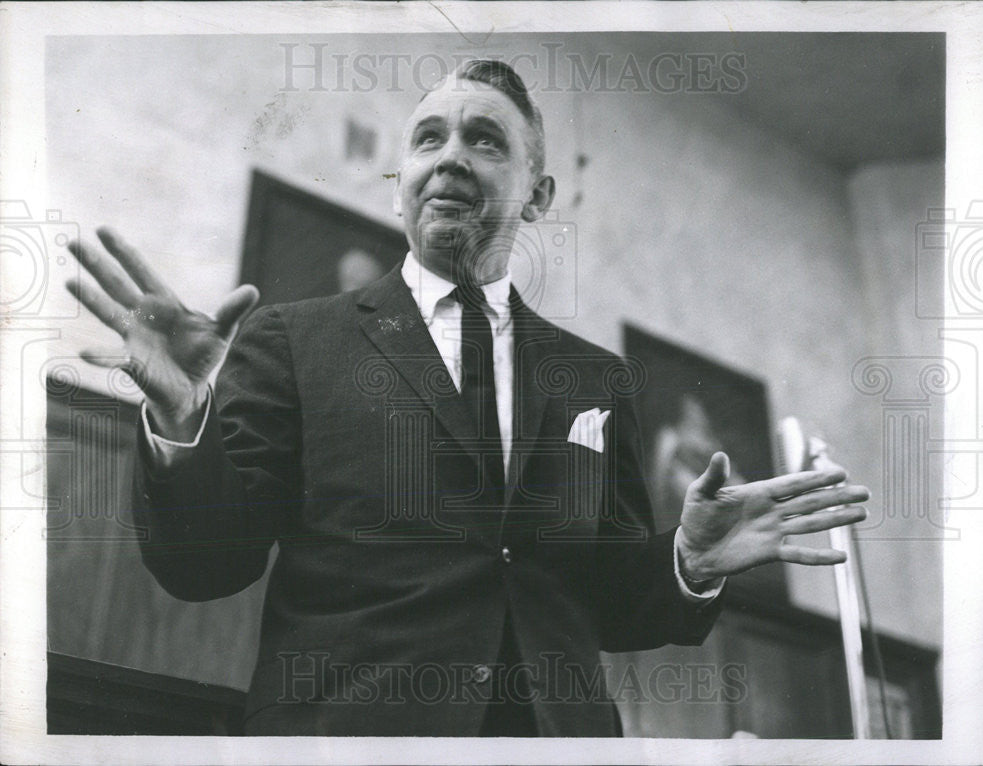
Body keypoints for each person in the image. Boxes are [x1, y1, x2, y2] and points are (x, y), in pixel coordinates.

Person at [64, 60, 869, 737]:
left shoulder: (594, 379)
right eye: (428, 139)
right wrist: (180, 420)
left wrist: (688, 561)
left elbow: (612, 605)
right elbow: (205, 565)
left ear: (539, 194)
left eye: (485, 140)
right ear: (400, 187)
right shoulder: (294, 340)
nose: (449, 157)